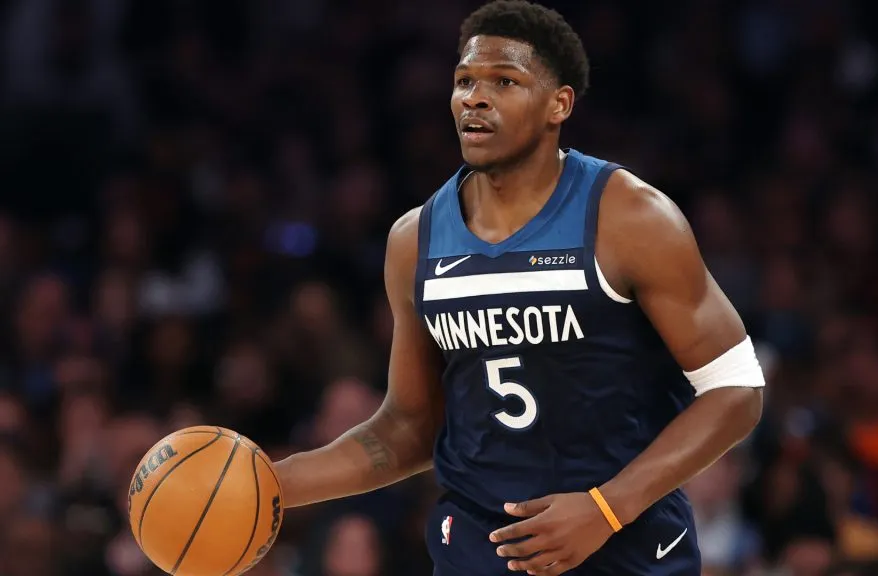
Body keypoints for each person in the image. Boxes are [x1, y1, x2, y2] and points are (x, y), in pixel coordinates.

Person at [272, 1, 765, 574]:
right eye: (464, 81)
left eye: (503, 81)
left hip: (625, 545)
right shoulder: (415, 240)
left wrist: (607, 508)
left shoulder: (630, 218)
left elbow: (736, 390)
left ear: (560, 104)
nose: (474, 98)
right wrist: (270, 485)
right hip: (479, 547)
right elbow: (410, 426)